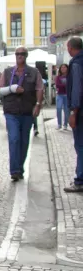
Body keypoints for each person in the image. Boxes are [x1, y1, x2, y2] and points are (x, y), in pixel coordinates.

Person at [0, 46, 43, 182]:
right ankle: (15, 170)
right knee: (14, 139)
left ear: (26, 55)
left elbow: (39, 88)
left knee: (24, 141)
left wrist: (38, 105)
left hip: (27, 111)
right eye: (18, 54)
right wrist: (12, 89)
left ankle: (20, 168)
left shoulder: (34, 72)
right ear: (15, 56)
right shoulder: (7, 72)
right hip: (11, 111)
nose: (20, 56)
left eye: (23, 54)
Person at [66, 37, 83, 193]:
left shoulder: (76, 63)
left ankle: (80, 180)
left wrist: (73, 112)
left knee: (81, 145)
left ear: (70, 48)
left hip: (81, 113)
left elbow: (77, 90)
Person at [56, 63, 70, 131]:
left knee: (66, 110)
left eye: (64, 67)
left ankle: (65, 124)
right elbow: (57, 85)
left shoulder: (69, 76)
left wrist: (63, 85)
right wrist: (65, 85)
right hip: (60, 95)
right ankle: (59, 124)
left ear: (67, 68)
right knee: (58, 109)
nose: (63, 68)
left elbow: (70, 85)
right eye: (62, 67)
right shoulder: (58, 77)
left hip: (67, 95)